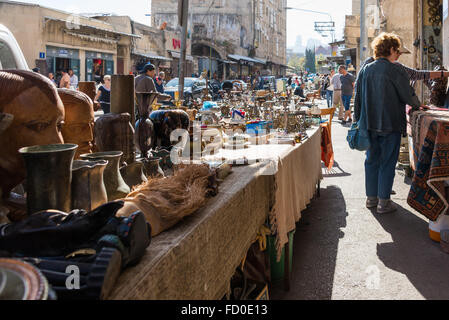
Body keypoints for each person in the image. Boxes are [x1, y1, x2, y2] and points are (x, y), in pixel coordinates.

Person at [354, 32, 421, 214]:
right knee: (387, 162)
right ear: (390, 49)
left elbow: (358, 97)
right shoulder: (395, 69)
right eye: (397, 50)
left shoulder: (367, 69)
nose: (398, 54)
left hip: (370, 123)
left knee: (371, 161)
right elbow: (407, 94)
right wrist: (418, 105)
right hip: (390, 123)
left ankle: (371, 199)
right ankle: (384, 202)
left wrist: (356, 120)